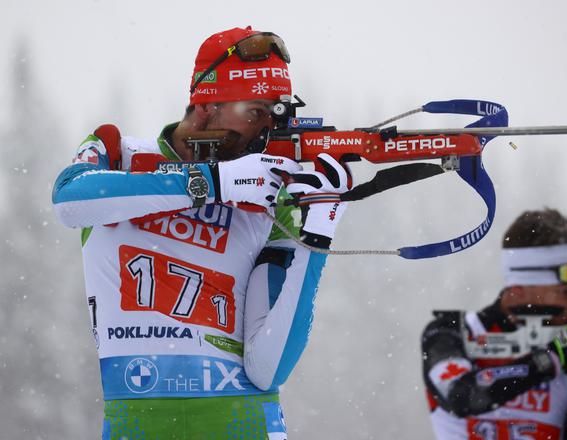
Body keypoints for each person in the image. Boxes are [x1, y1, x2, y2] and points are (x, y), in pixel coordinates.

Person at [52, 26, 349, 439]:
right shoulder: (118, 152)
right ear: (207, 106)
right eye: (255, 112)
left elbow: (268, 369)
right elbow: (69, 200)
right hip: (138, 423)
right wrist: (211, 182)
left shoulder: (270, 197)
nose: (265, 131)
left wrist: (318, 234)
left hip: (244, 424)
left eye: (276, 113)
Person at [421, 208, 567, 439]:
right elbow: (462, 396)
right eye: (565, 291)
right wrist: (550, 361)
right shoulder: (453, 332)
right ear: (521, 287)